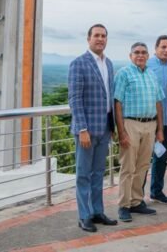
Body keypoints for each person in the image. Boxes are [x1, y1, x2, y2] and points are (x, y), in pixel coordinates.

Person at [68, 24, 118, 232]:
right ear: (88, 39)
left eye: (103, 36)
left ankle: (97, 211)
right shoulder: (79, 63)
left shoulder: (109, 63)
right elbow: (75, 99)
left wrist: (113, 126)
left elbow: (109, 97)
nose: (100, 39)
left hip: (105, 127)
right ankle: (84, 216)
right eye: (96, 35)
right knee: (83, 174)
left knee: (99, 173)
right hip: (87, 130)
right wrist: (82, 129)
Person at [113, 42, 165, 222]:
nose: (140, 55)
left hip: (150, 125)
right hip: (131, 124)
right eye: (137, 52)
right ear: (130, 55)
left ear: (148, 55)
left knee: (143, 166)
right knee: (128, 167)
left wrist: (160, 129)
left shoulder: (152, 75)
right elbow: (117, 103)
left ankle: (136, 201)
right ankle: (123, 205)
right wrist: (121, 132)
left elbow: (159, 102)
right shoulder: (123, 74)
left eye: (143, 52)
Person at [147, 35, 167, 204]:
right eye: (163, 47)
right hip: (149, 120)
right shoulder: (147, 65)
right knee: (142, 160)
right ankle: (135, 198)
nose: (166, 50)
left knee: (162, 158)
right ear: (156, 48)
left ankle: (156, 191)